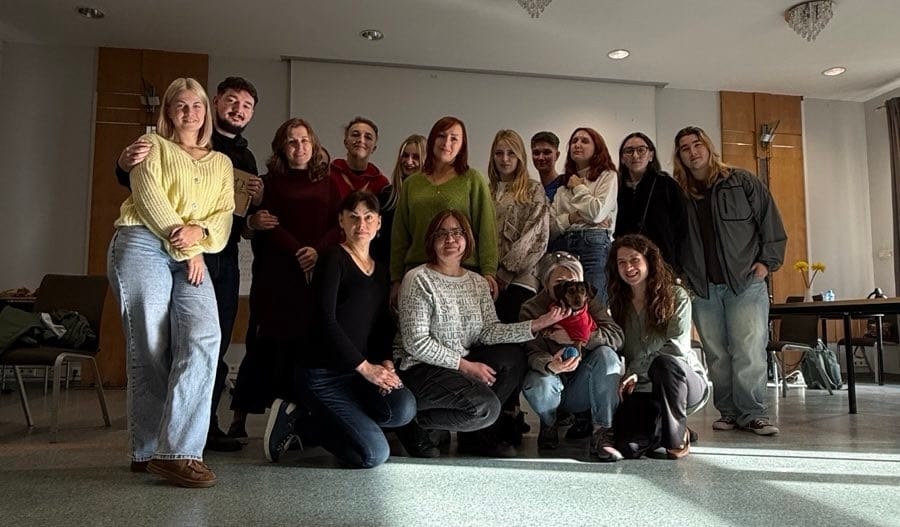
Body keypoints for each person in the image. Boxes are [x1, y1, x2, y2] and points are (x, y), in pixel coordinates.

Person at [117, 76, 262, 453]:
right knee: (153, 345)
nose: (238, 110)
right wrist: (191, 246)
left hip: (217, 253)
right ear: (216, 102)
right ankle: (152, 448)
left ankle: (192, 439)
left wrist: (253, 202)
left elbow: (227, 213)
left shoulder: (234, 159)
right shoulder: (153, 145)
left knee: (208, 340)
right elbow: (146, 193)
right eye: (232, 101)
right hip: (160, 245)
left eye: (247, 106)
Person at [395, 210, 567, 458]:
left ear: (467, 239)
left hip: (457, 365)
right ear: (431, 241)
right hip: (421, 369)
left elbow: (489, 331)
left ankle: (475, 437)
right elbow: (416, 343)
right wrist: (465, 366)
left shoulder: (476, 282)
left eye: (457, 233)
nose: (450, 239)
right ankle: (413, 423)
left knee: (513, 358)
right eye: (441, 234)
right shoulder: (418, 279)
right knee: (485, 408)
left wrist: (537, 324)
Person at [263, 191, 416, 468]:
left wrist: (386, 363)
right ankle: (300, 422)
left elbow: (381, 326)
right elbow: (325, 321)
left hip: (356, 376)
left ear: (379, 223)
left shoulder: (381, 271)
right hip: (322, 375)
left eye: (368, 217)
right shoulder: (332, 259)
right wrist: (366, 368)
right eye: (353, 217)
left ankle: (343, 422)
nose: (361, 224)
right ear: (341, 222)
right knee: (373, 455)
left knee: (402, 408)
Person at [672, 126, 786, 436]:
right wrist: (681, 275)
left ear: (708, 147)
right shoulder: (679, 193)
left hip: (745, 283)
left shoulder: (742, 181)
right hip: (702, 288)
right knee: (717, 355)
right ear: (679, 156)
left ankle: (753, 413)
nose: (692, 151)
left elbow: (770, 222)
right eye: (685, 148)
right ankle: (729, 412)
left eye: (697, 144)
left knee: (749, 350)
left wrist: (766, 264)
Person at [247, 118, 342, 428]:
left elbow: (339, 225)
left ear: (313, 145)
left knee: (308, 344)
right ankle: (267, 416)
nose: (299, 147)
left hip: (315, 273)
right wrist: (300, 252)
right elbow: (268, 223)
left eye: (304, 141)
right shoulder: (269, 183)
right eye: (292, 141)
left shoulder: (329, 182)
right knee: (274, 347)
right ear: (282, 147)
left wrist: (315, 251)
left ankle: (303, 419)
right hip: (278, 276)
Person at [607, 234, 709, 459]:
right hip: (642, 389)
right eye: (621, 262)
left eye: (634, 260)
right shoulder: (617, 304)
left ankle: (676, 438)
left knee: (664, 363)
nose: (628, 267)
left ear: (649, 261)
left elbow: (677, 347)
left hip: (680, 383)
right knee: (629, 448)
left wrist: (635, 370)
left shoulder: (676, 296)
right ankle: (664, 426)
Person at [520, 252, 625, 461]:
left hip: (582, 381)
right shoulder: (532, 308)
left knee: (608, 356)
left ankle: (602, 431)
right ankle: (549, 423)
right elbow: (531, 352)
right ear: (546, 283)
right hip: (552, 379)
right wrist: (550, 364)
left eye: (574, 282)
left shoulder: (588, 303)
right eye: (560, 283)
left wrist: (579, 338)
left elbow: (617, 337)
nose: (572, 291)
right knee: (537, 382)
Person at [390, 116, 499, 308]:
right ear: (432, 139)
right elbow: (400, 236)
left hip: (462, 273)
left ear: (462, 145)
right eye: (441, 136)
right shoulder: (412, 183)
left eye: (454, 138)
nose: (447, 143)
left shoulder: (473, 180)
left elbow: (486, 228)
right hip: (417, 272)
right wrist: (396, 279)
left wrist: (489, 271)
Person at [548, 127, 618, 305]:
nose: (577, 145)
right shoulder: (563, 187)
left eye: (584, 141)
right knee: (562, 305)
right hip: (563, 247)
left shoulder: (607, 176)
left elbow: (596, 213)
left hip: (593, 244)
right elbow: (550, 228)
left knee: (595, 306)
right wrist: (574, 217)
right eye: (574, 141)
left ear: (597, 148)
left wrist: (579, 186)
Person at [488, 129, 550, 323]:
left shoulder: (533, 189)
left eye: (511, 153)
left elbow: (536, 236)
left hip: (521, 278)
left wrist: (506, 271)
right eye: (499, 153)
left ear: (520, 157)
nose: (505, 159)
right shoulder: (485, 190)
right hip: (488, 278)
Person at [614, 132, 687, 273]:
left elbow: (681, 227)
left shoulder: (666, 184)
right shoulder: (616, 187)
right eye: (629, 151)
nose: (635, 155)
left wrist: (678, 263)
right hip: (627, 264)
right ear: (622, 158)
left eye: (641, 150)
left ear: (651, 155)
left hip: (663, 261)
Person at [371, 134, 426, 266]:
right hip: (387, 267)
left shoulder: (431, 198)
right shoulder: (385, 196)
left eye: (416, 157)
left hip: (420, 267)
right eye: (405, 156)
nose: (409, 161)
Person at [330, 116, 389, 199]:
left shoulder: (381, 184)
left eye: (368, 137)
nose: (361, 140)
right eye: (355, 135)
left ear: (374, 148)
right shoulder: (329, 174)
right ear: (346, 143)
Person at [531, 131, 564, 201]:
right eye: (536, 153)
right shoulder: (532, 190)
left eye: (546, 153)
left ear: (557, 155)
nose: (541, 158)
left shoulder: (566, 185)